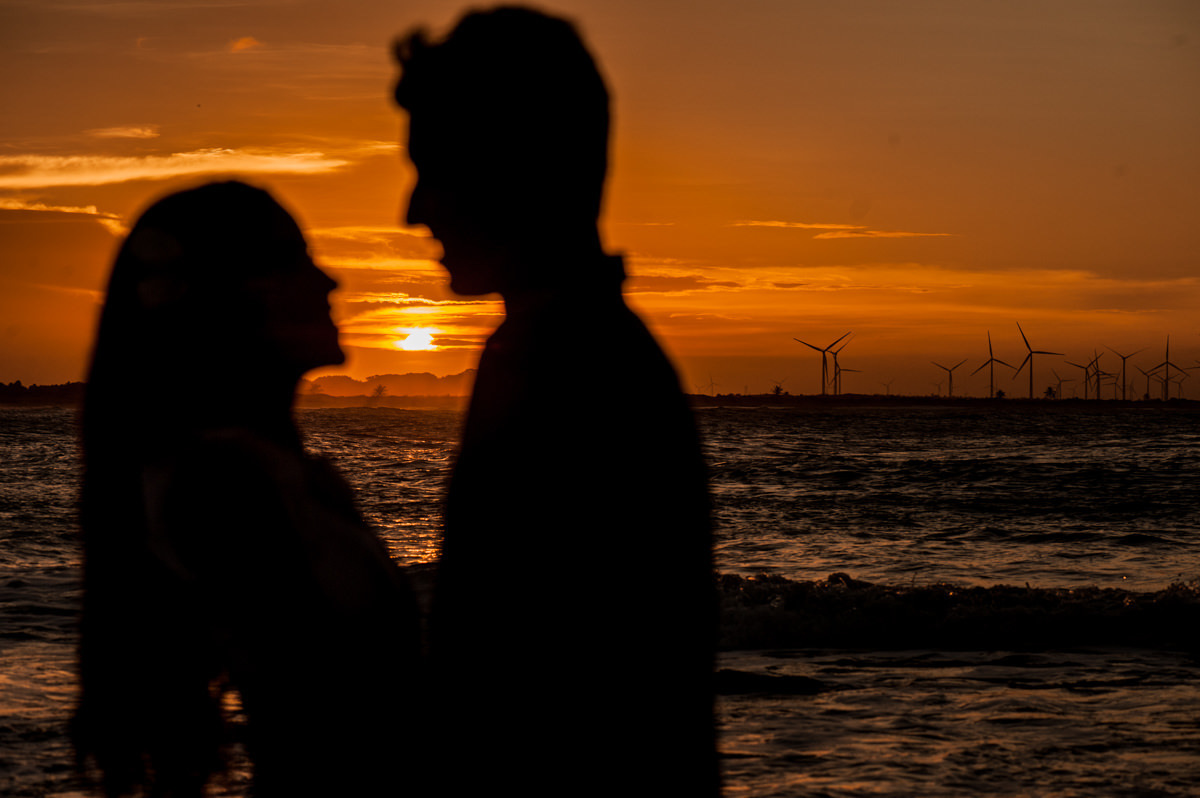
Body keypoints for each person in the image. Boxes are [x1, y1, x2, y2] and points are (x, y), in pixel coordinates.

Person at [393, 8, 720, 796]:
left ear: (513, 165)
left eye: (436, 168)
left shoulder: (566, 369)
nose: (413, 210)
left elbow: (514, 687)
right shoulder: (561, 348)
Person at [72, 181, 424, 797]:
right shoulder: (220, 486)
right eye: (295, 260)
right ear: (228, 297)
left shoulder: (267, 471)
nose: (328, 283)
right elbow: (318, 705)